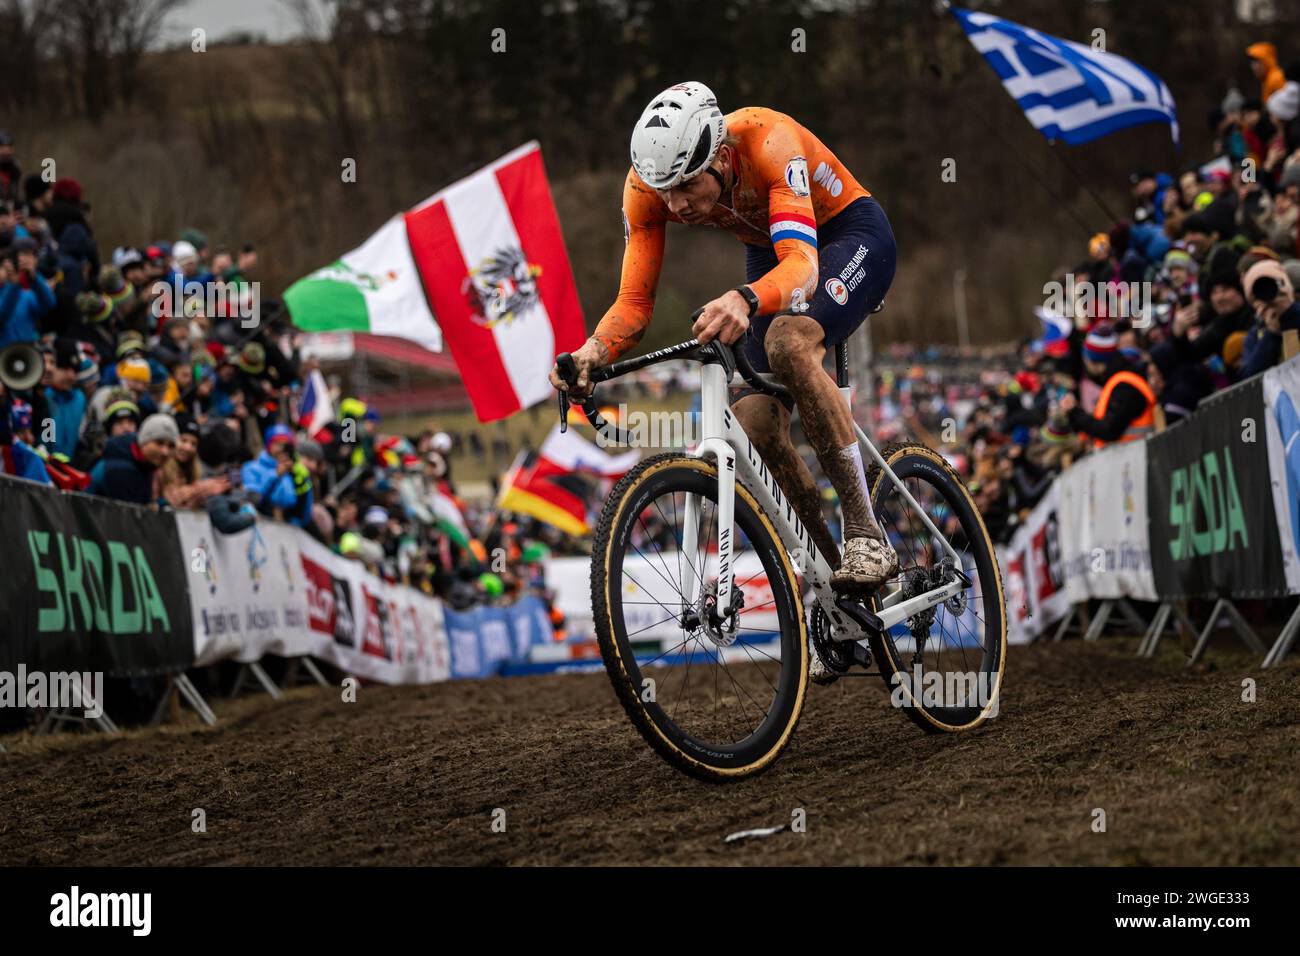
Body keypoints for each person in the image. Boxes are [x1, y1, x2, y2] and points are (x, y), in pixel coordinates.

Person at [549, 81, 899, 606]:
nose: (676, 204)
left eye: (687, 186)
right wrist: (593, 351)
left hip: (847, 235)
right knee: (755, 424)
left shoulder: (768, 140)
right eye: (665, 191)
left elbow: (803, 270)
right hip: (771, 247)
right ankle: (831, 585)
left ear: (720, 155)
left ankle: (867, 534)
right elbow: (634, 305)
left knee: (787, 342)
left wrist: (744, 299)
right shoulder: (647, 189)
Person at [1061, 325, 1158, 446]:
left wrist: (1075, 412)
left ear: (1093, 361)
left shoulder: (1124, 386)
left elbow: (1109, 430)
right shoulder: (1117, 380)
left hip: (1135, 456)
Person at [87, 413, 176, 505]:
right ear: (144, 442)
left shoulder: (144, 464)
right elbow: (128, 514)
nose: (165, 452)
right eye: (159, 443)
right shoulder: (122, 469)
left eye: (171, 446)